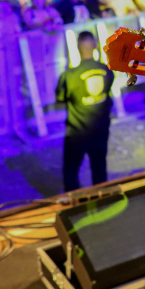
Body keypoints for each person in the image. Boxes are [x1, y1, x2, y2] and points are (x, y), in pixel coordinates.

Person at [55, 31, 114, 192]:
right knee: (99, 168)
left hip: (77, 132)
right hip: (100, 129)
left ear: (77, 47)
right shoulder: (106, 70)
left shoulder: (69, 76)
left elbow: (60, 98)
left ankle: (75, 202)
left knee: (71, 170)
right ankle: (101, 199)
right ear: (95, 45)